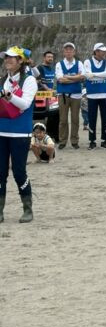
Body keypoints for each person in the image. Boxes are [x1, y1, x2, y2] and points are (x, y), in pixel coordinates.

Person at [0, 46, 38, 223]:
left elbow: (24, 104)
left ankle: (27, 209)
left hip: (20, 133)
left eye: (12, 57)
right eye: (6, 57)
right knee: (0, 172)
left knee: (18, 171)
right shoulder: (3, 80)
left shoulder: (29, 80)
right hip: (1, 131)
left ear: (20, 61)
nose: (8, 60)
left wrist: (9, 97)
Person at [55, 42, 85, 150]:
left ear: (74, 52)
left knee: (75, 119)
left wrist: (67, 77)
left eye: (70, 50)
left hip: (76, 94)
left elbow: (82, 77)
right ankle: (63, 140)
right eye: (66, 50)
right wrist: (75, 78)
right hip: (63, 94)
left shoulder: (79, 63)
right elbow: (60, 79)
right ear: (64, 52)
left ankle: (74, 140)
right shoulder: (59, 64)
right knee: (63, 119)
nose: (68, 52)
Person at [84, 43, 106, 149]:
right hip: (92, 95)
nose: (104, 53)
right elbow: (87, 76)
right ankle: (92, 141)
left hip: (104, 93)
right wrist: (101, 76)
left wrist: (94, 74)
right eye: (102, 51)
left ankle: (105, 140)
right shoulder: (87, 61)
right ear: (96, 51)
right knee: (92, 118)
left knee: (105, 118)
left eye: (105, 51)